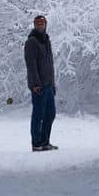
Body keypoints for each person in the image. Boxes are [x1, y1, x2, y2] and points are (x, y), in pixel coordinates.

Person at [24, 14, 57, 151]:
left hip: (49, 84)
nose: (40, 26)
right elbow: (31, 64)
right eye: (37, 23)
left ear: (46, 24)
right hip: (39, 86)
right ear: (34, 25)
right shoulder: (32, 42)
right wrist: (35, 84)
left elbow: (50, 63)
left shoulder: (46, 40)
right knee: (38, 114)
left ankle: (45, 141)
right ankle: (36, 143)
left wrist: (53, 82)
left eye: (42, 23)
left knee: (50, 113)